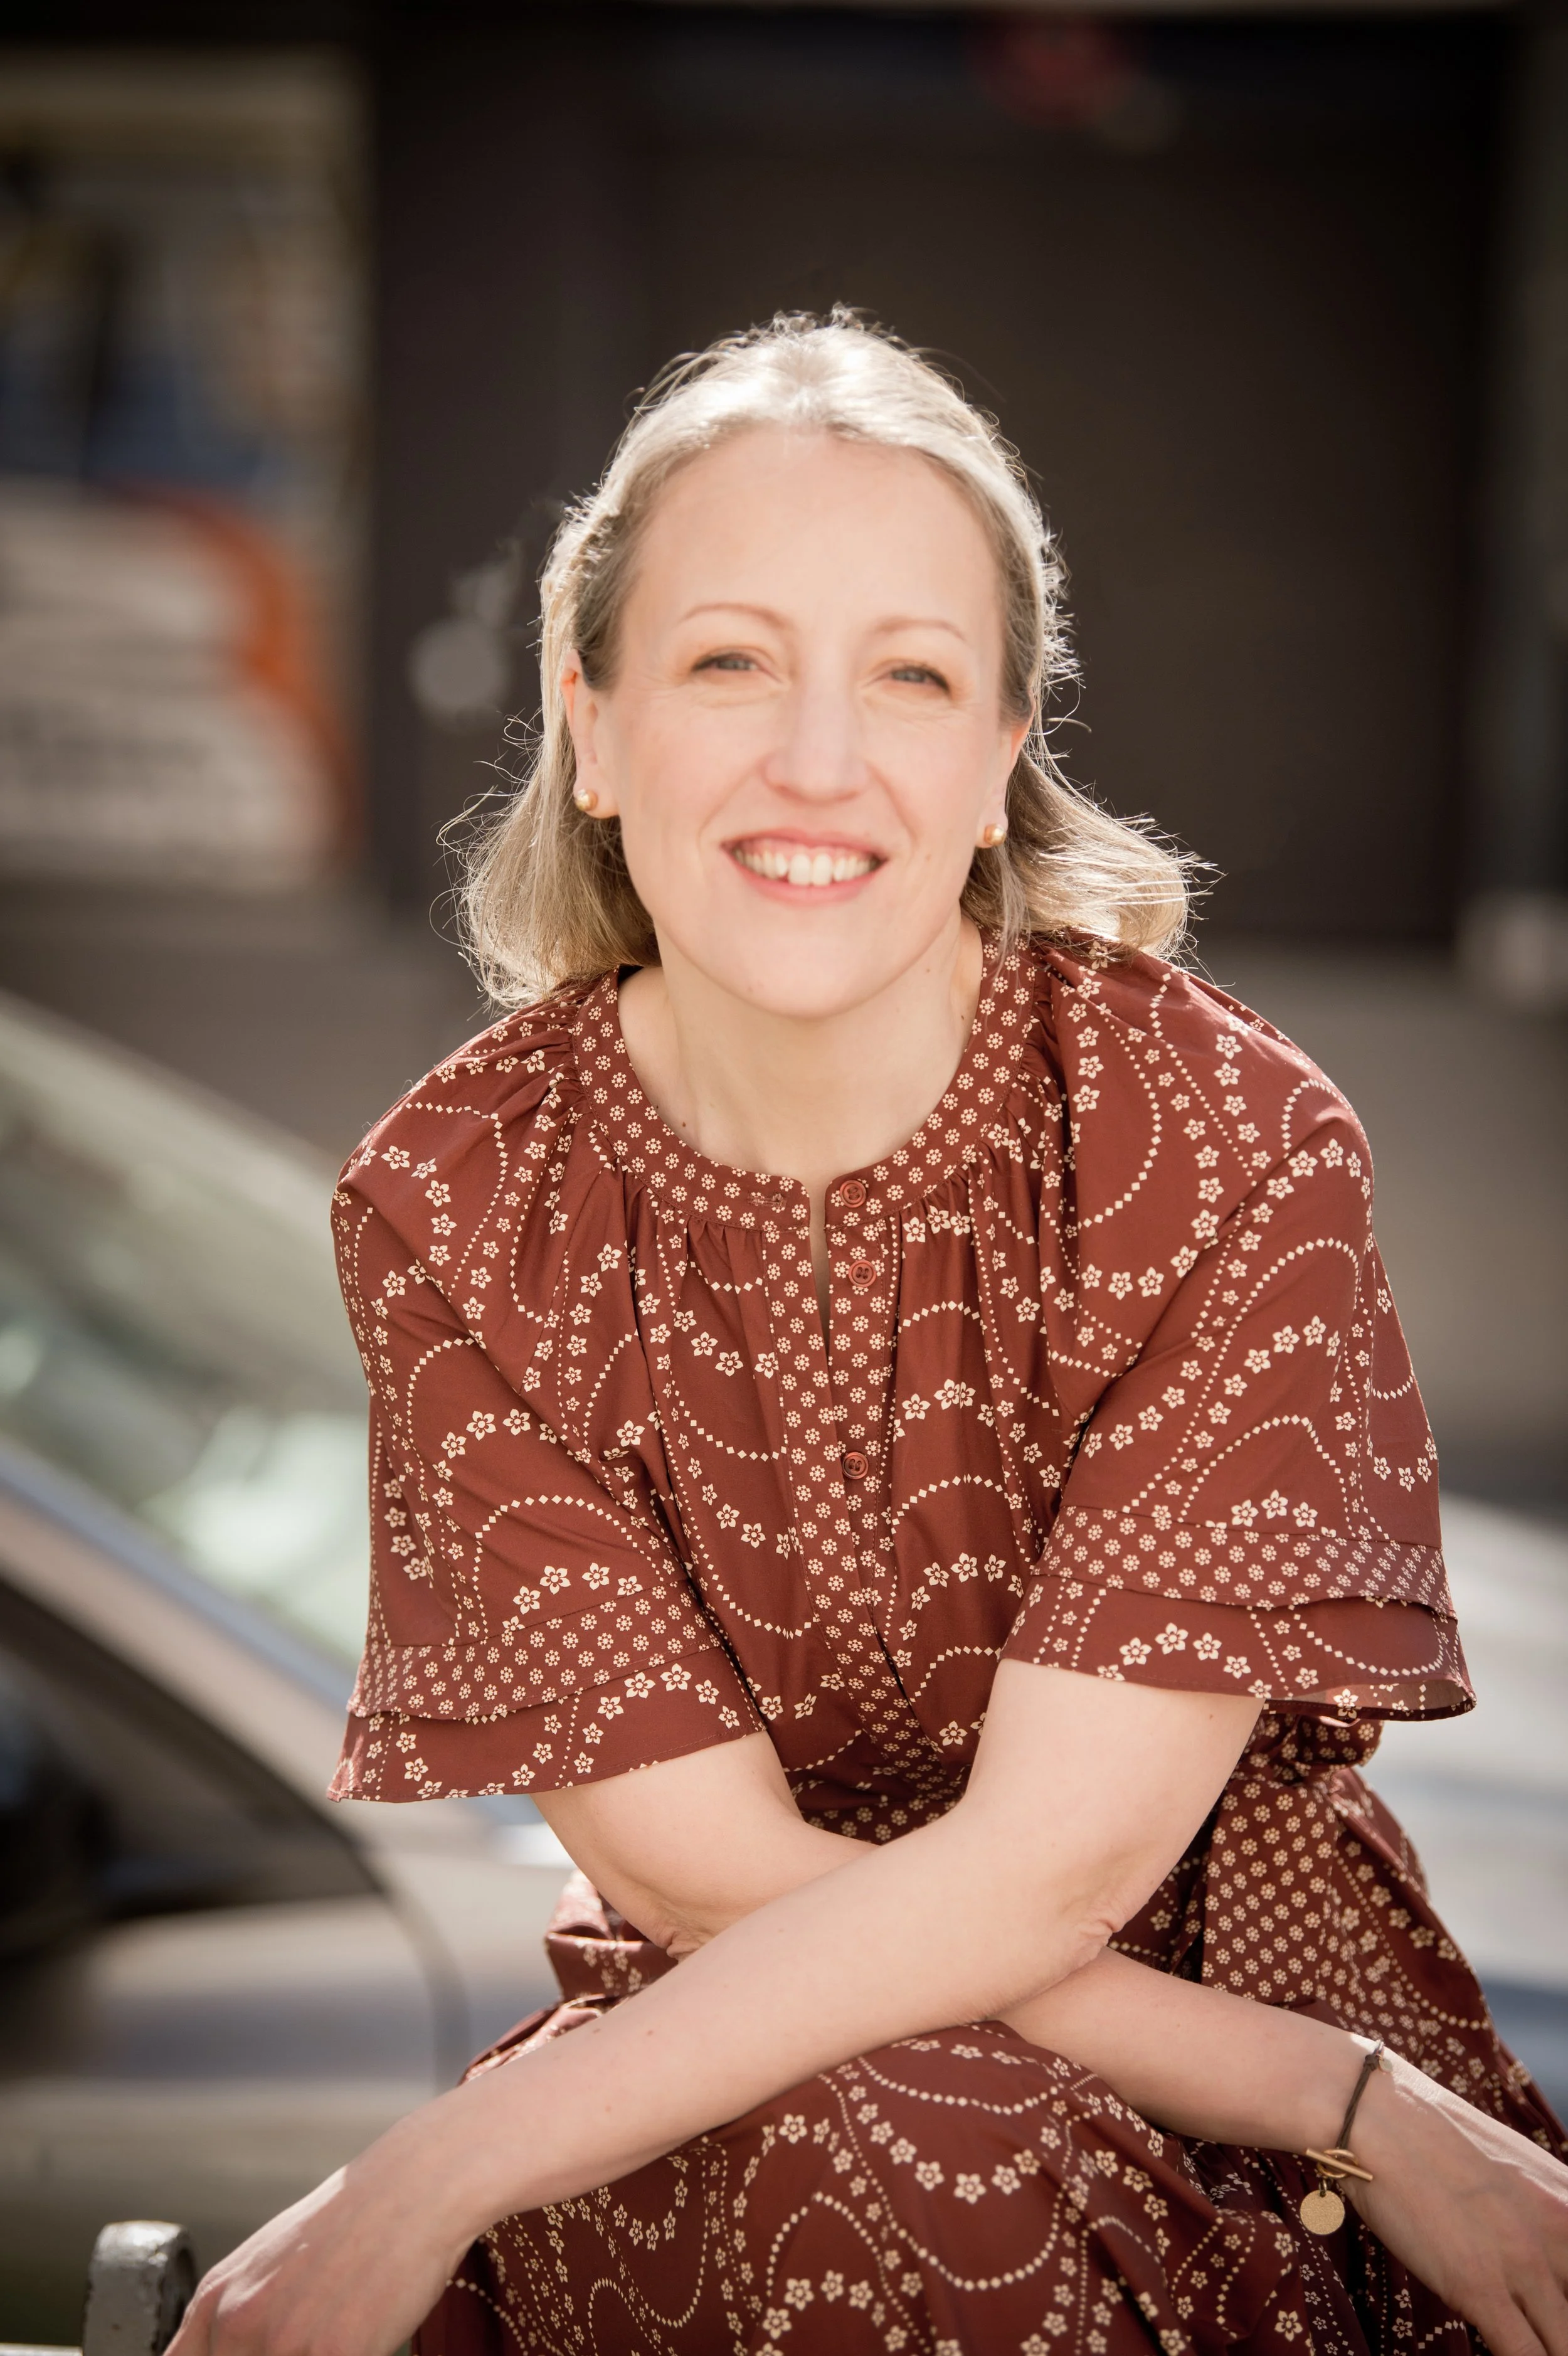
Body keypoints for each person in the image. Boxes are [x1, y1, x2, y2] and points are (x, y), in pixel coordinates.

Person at [172, 315, 1567, 2356]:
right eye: (730, 661)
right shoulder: (459, 1208)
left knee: (900, 2139)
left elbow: (1052, 1869)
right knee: (854, 2132)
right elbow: (706, 1877)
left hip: (1246, 2072)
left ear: (1001, 752)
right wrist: (1339, 2097)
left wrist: (435, 2165)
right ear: (588, 721)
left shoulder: (1217, 1143)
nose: (817, 763)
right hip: (735, 2081)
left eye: (909, 676)